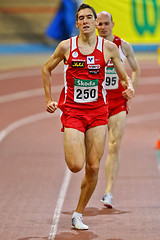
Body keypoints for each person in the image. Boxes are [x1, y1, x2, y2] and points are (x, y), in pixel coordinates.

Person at [42, 4, 134, 230]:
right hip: (73, 111)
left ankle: (78, 213)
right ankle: (77, 142)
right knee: (75, 165)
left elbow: (123, 77)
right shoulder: (66, 46)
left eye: (89, 17)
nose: (85, 21)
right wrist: (48, 100)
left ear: (95, 22)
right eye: (80, 18)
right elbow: (46, 69)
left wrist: (128, 86)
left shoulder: (109, 48)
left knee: (93, 168)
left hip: (98, 113)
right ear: (76, 24)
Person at [96, 11, 140, 208]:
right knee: (94, 151)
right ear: (96, 26)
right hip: (96, 103)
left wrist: (131, 90)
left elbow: (136, 69)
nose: (103, 27)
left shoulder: (123, 46)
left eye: (106, 23)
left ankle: (108, 192)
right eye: (100, 24)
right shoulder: (91, 47)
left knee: (114, 146)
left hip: (117, 102)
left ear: (113, 24)